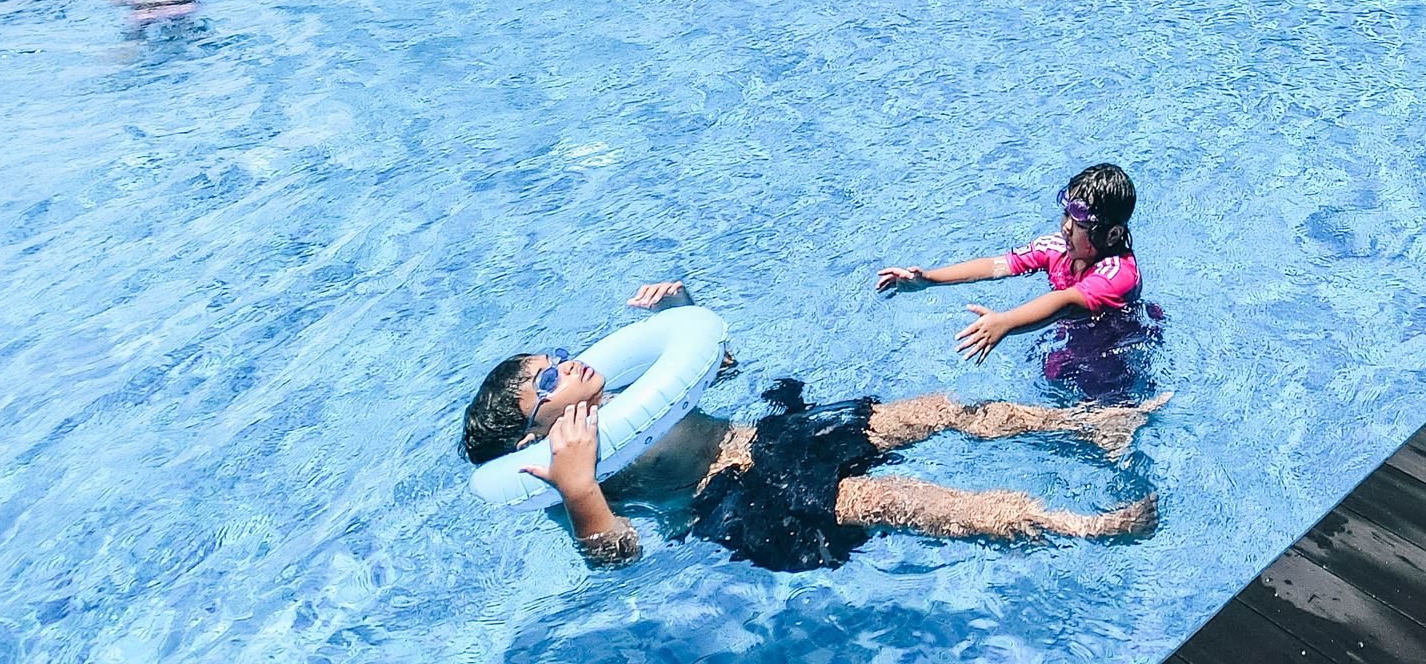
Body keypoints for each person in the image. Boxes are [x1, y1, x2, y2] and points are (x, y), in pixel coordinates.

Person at [459, 283, 1164, 570]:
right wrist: (580, 488)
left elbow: (716, 371)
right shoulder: (555, 476)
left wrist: (684, 309)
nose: (565, 365)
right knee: (895, 500)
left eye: (557, 356)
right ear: (531, 434)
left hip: (765, 442)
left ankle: (1093, 425)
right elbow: (619, 559)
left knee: (934, 408)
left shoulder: (634, 389)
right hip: (734, 499)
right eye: (546, 380)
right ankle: (1079, 525)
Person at [877, 164, 1152, 370]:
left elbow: (1066, 301)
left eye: (1080, 225)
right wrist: (929, 279)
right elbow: (997, 265)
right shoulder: (1055, 248)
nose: (1066, 227)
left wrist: (1006, 322)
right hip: (1072, 341)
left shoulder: (1119, 274)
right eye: (1065, 215)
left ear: (1113, 235)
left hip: (1115, 353)